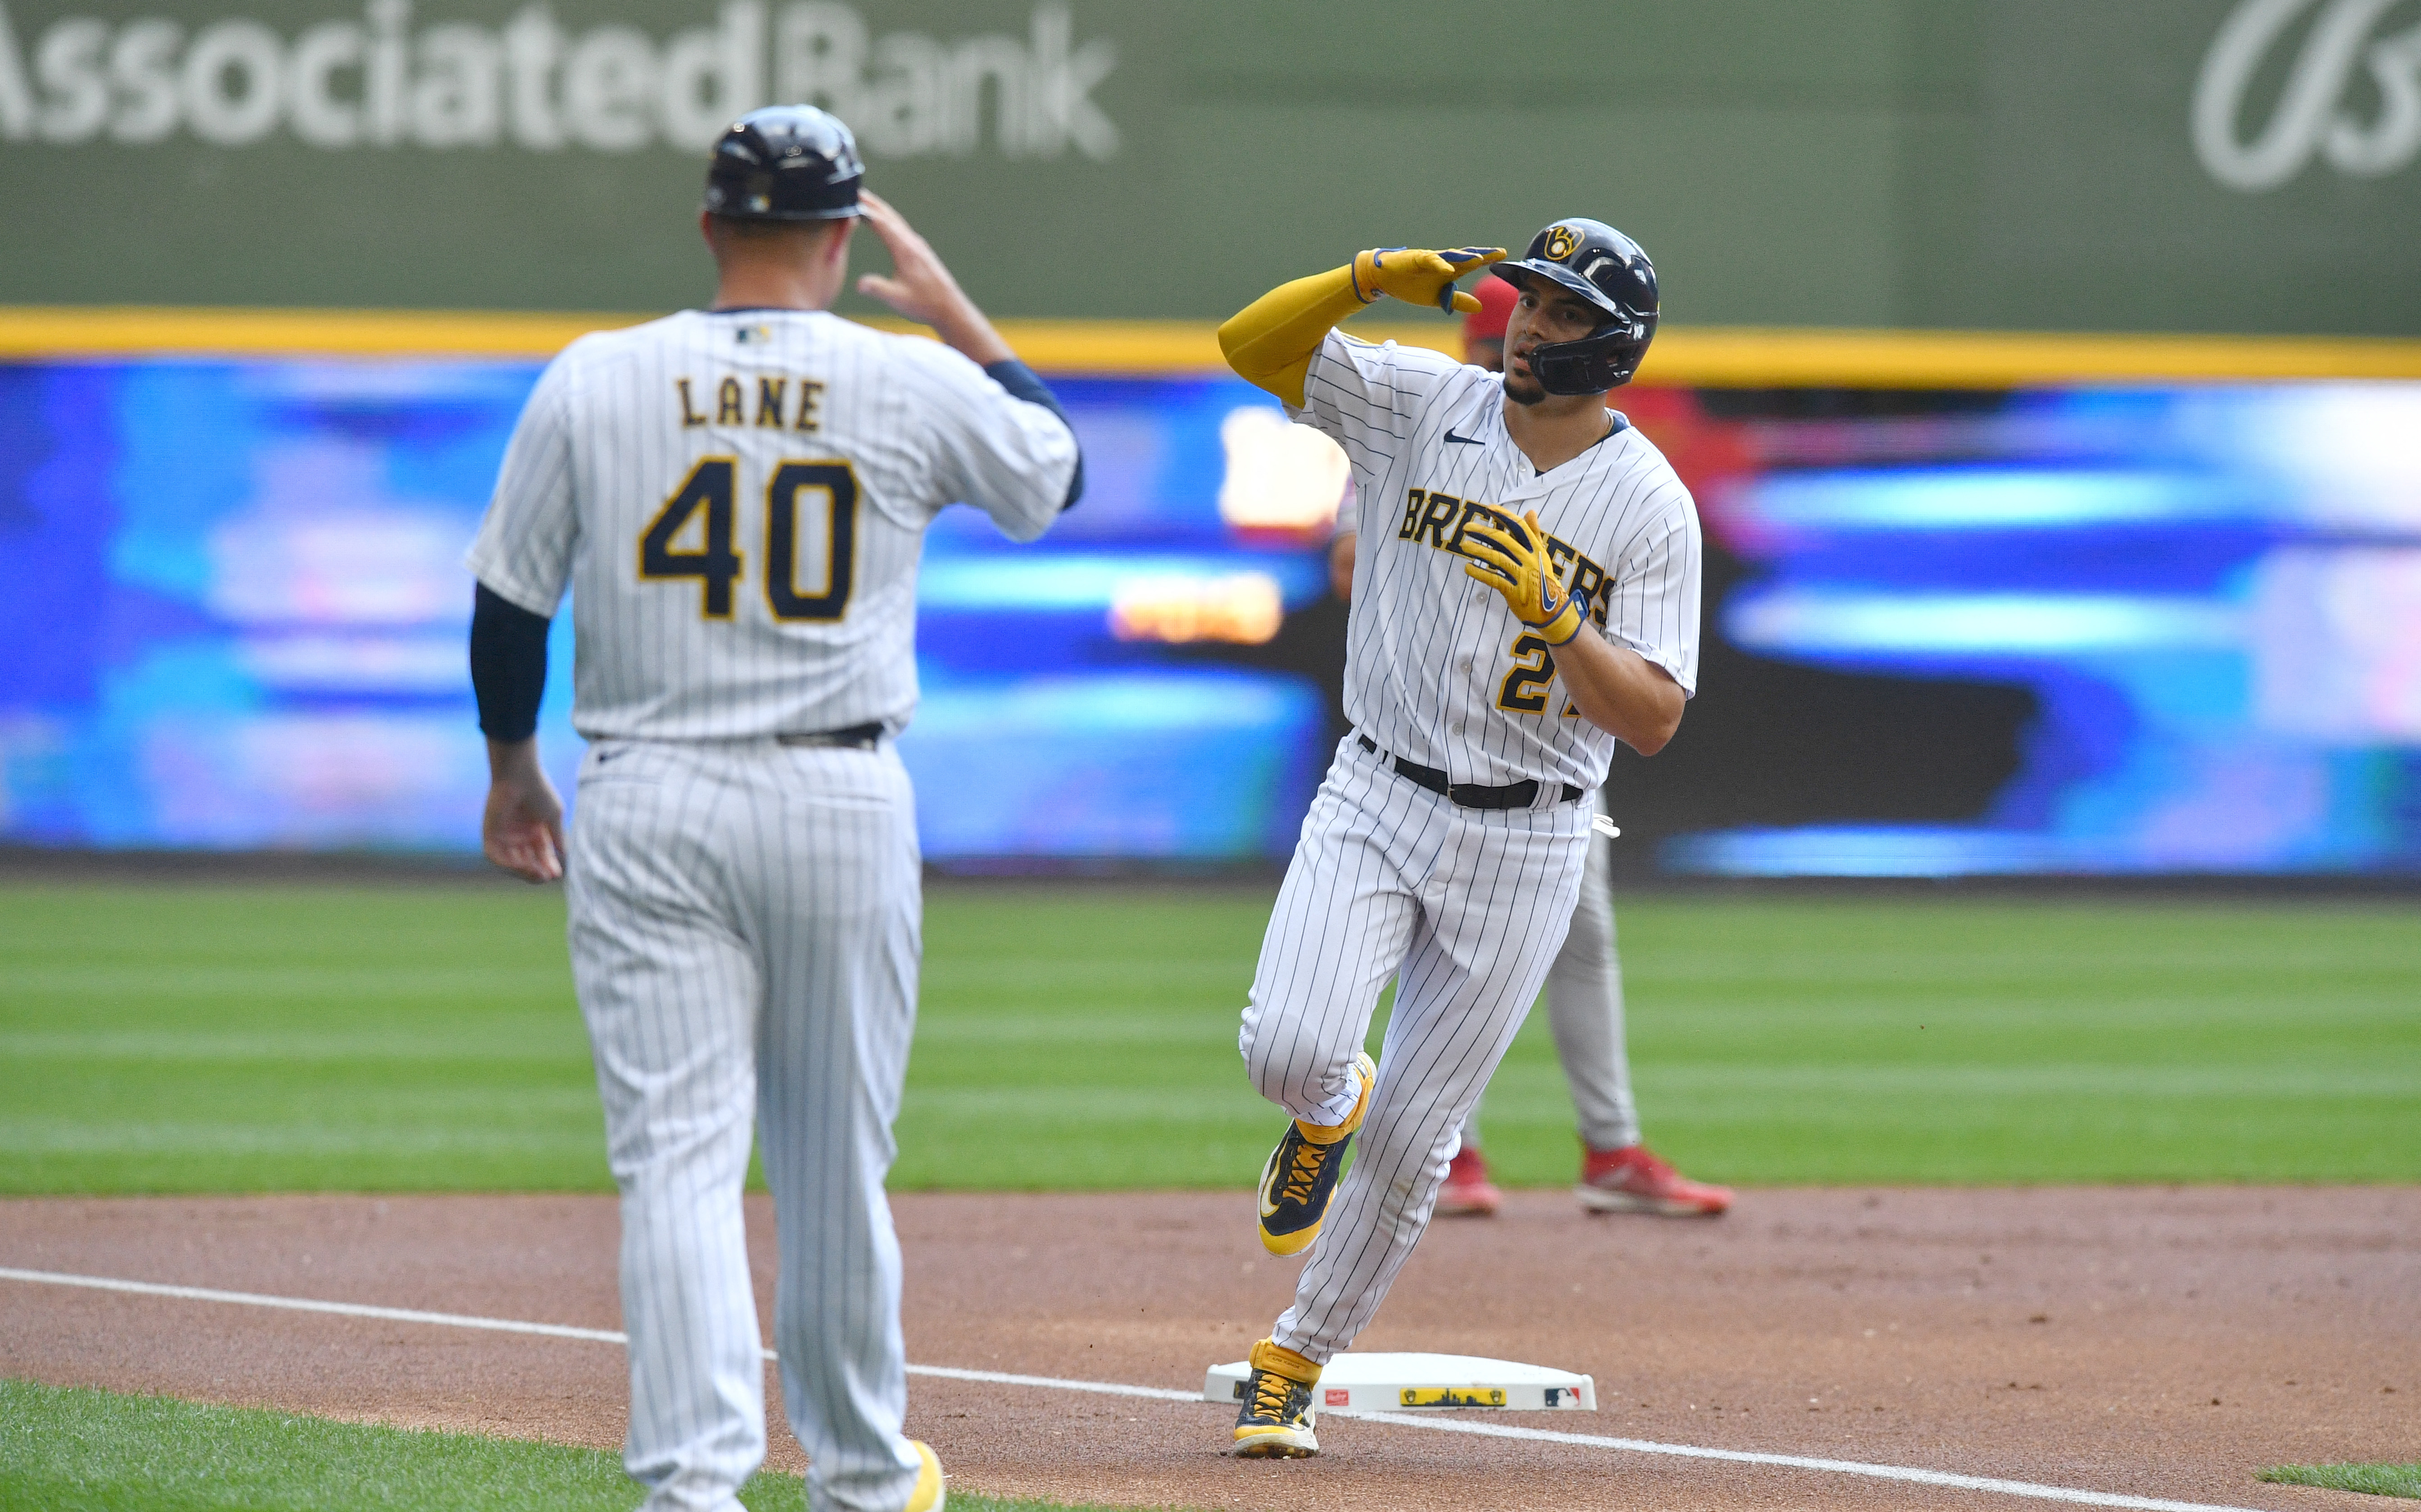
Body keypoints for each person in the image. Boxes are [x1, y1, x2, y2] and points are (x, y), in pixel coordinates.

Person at [465, 105, 1081, 1512]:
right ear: (846, 234)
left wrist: (512, 769)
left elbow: (510, 601)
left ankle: (690, 1488)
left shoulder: (597, 375)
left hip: (649, 792)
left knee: (677, 1167)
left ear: (707, 225)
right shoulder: (908, 378)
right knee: (834, 1169)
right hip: (838, 793)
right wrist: (959, 315)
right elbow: (1056, 476)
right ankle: (862, 1480)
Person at [1217, 221, 1702, 1458]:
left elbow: (1649, 718)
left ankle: (1295, 1359)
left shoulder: (1649, 504)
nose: (1532, 325)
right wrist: (1367, 277)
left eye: (1564, 312)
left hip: (1532, 839)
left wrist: (1562, 618)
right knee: (1286, 1044)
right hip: (1378, 786)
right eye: (1529, 301)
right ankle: (1325, 1102)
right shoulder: (1424, 399)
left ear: (1618, 348)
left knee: (1421, 1139)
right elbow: (1248, 345)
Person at [1325, 273, 1732, 1220]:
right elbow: (1349, 565)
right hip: (1427, 743)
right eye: (1505, 322)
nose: (1509, 339)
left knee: (1583, 944)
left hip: (1547, 764)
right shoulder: (1416, 421)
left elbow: (1653, 701)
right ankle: (1449, 1149)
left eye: (1540, 321)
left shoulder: (1613, 477)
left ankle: (1611, 1148)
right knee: (1414, 942)